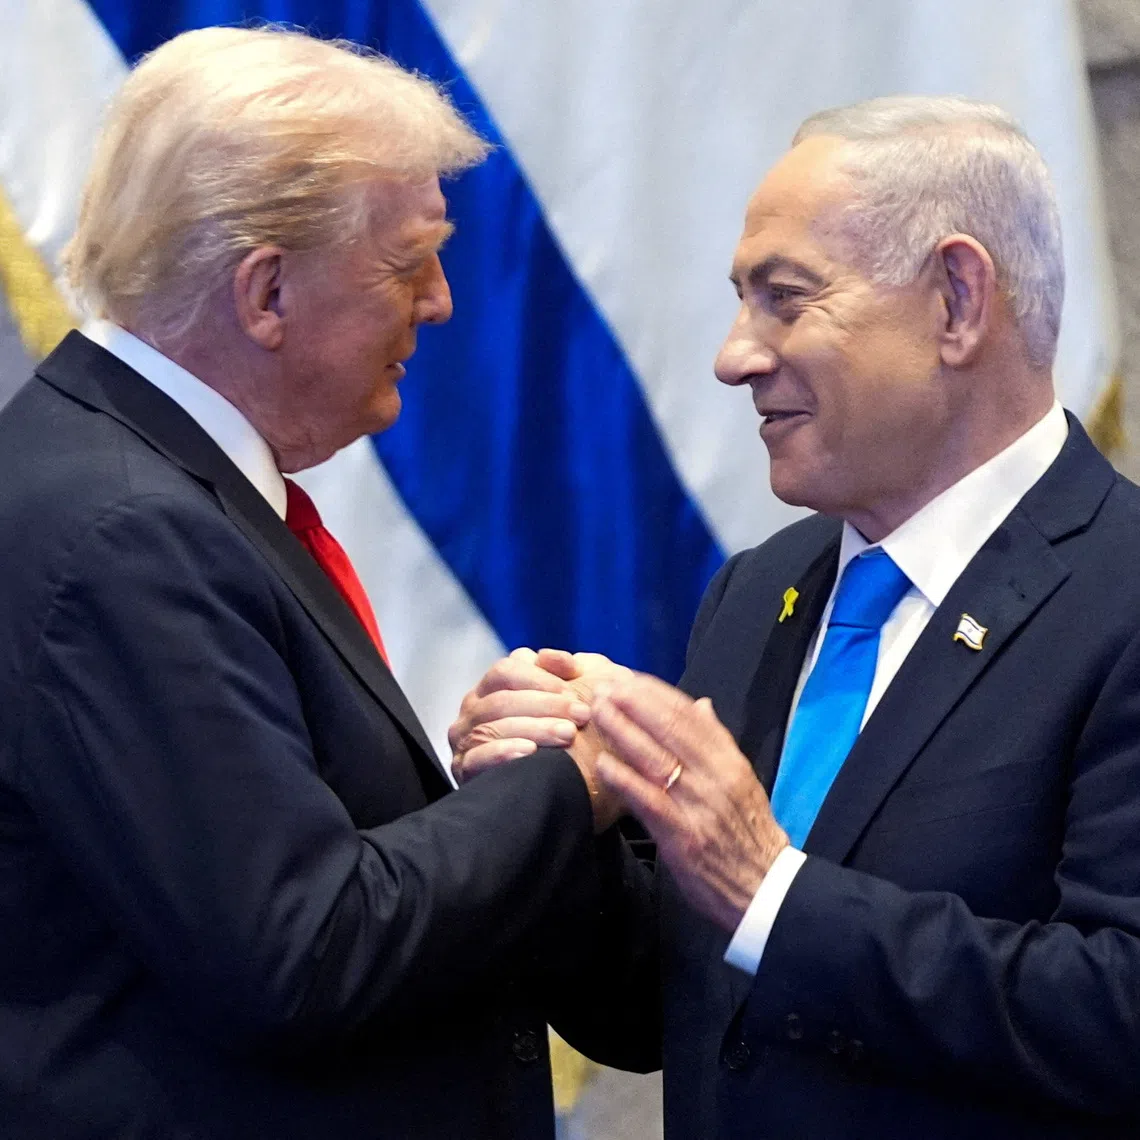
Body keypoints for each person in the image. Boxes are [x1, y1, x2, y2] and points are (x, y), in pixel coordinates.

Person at [0, 26, 655, 1140]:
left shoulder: (140, 480)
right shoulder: (127, 531)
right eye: (408, 261)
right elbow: (300, 952)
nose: (440, 301)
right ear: (265, 292)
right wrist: (564, 779)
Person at [450, 96, 1140, 1137]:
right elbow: (665, 1013)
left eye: (785, 299)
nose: (735, 356)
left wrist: (770, 892)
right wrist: (557, 820)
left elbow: (1119, 1014)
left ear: (958, 301)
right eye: (742, 303)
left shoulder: (1120, 591)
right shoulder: (760, 591)